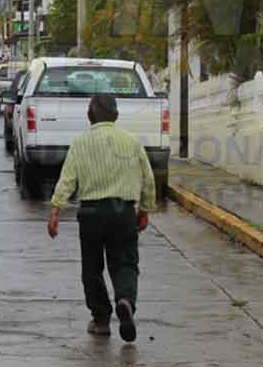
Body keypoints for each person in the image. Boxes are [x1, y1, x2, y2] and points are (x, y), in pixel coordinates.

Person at [47, 94, 156, 343]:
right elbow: (147, 179)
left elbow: (67, 181)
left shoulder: (80, 143)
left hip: (91, 214)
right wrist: (145, 209)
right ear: (116, 116)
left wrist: (55, 212)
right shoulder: (131, 142)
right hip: (123, 211)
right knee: (125, 262)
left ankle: (101, 320)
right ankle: (125, 300)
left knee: (92, 267)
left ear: (89, 115)